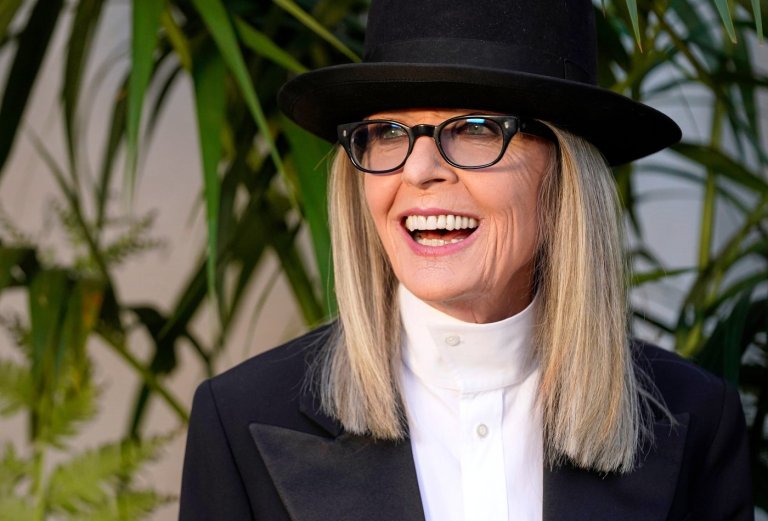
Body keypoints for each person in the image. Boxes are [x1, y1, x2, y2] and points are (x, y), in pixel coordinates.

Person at [179, 0, 753, 519]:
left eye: (475, 129)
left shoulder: (696, 421)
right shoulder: (241, 420)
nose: (418, 170)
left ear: (564, 173)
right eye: (388, 132)